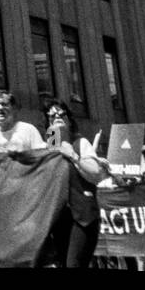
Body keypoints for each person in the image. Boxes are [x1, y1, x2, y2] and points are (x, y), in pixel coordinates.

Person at [44, 99, 104, 268]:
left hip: (83, 218)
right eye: (52, 116)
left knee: (73, 265)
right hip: (59, 219)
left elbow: (96, 174)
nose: (57, 117)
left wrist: (73, 156)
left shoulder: (80, 143)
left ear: (69, 120)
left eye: (61, 114)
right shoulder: (48, 149)